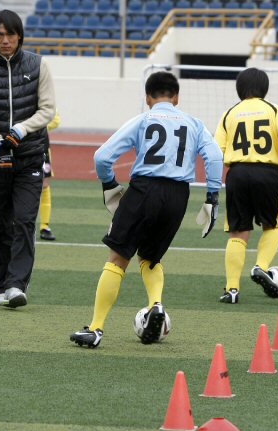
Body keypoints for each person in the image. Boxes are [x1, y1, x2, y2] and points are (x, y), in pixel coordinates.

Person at [70, 71, 223, 348]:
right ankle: (156, 306)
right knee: (150, 257)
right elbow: (214, 156)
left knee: (117, 258)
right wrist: (212, 196)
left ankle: (95, 329)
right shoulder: (195, 123)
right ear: (176, 97)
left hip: (144, 190)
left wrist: (109, 184)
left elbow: (102, 156)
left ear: (148, 98)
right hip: (178, 195)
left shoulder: (143, 119)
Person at [0, 9, 56, 308]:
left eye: (9, 34)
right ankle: (0, 285)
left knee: (24, 220)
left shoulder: (38, 65)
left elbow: (47, 110)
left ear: (19, 35)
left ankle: (17, 285)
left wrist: (19, 130)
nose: (5, 40)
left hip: (31, 155)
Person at [215, 67, 278, 304]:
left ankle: (232, 290)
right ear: (265, 89)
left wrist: (215, 182)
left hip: (237, 174)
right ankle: (261, 267)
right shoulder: (274, 109)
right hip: (267, 173)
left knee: (238, 232)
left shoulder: (229, 113)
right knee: (272, 226)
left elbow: (216, 149)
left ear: (239, 89)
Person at [39, 109, 60, 241]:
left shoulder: (45, 96)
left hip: (41, 143)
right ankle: (16, 224)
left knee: (44, 184)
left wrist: (36, 125)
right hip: (22, 143)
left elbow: (55, 119)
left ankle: (44, 226)